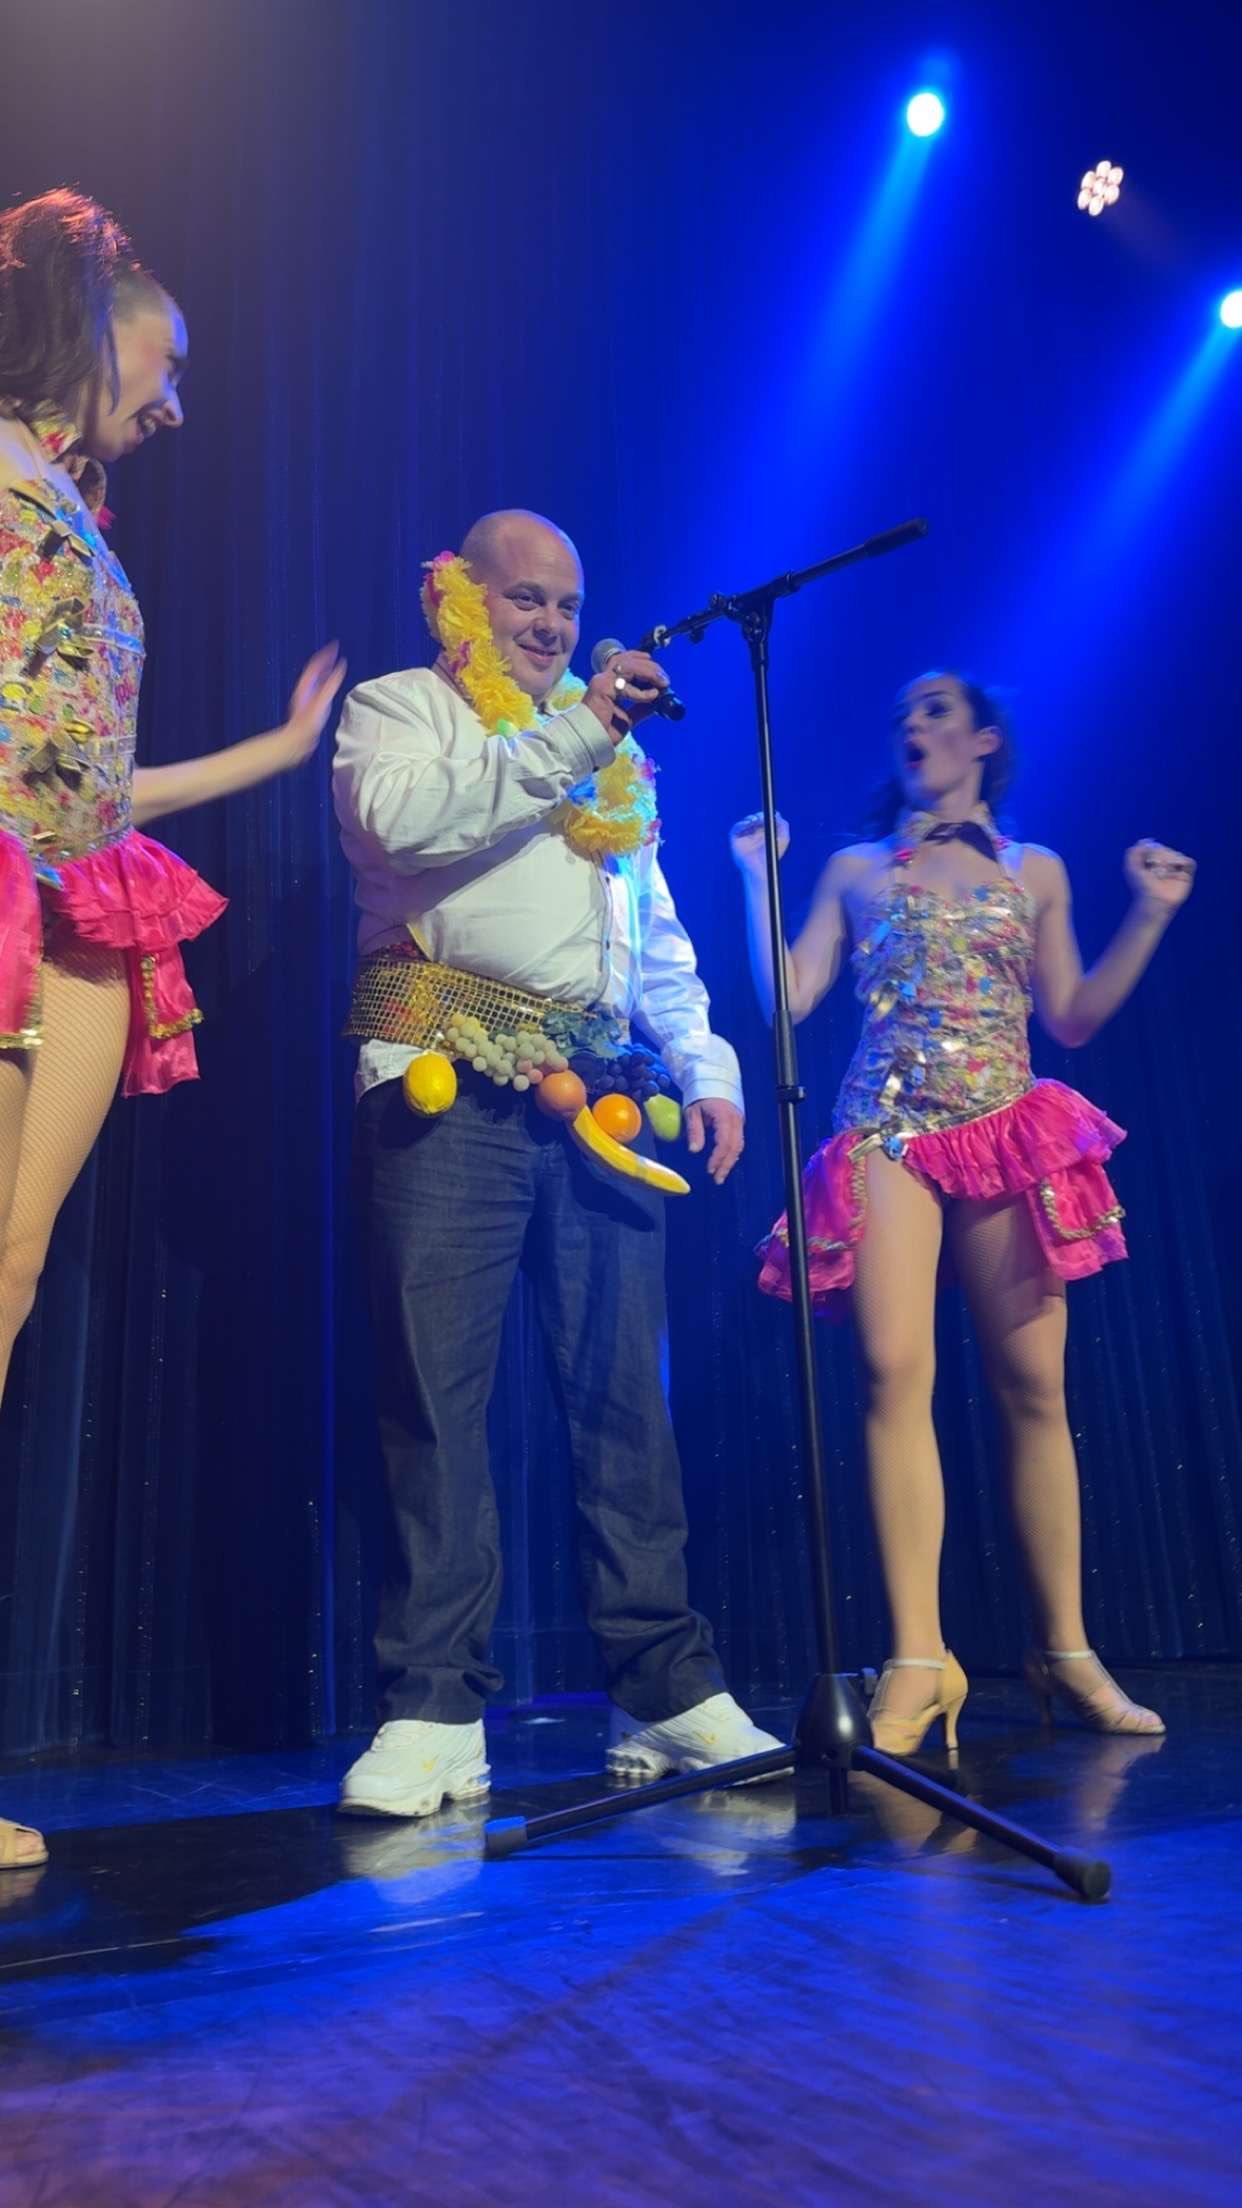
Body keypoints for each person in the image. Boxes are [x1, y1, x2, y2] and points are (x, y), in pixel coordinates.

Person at [333, 507, 781, 1820]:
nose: (549, 623)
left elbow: (650, 932)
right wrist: (581, 727)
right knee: (434, 1402)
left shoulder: (612, 763)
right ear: (460, 597)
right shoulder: (399, 709)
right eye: (524, 597)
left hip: (597, 1095)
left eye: (567, 605)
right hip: (442, 1077)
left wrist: (705, 1064)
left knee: (625, 1405)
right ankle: (432, 1710)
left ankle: (662, 1687)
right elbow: (404, 827)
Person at [0, 189, 344, 1870]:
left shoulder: (77, 504)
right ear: (93, 318)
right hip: (7, 882)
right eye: (172, 360)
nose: (183, 400)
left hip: (80, 897)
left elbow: (92, 772)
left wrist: (271, 759)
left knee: (8, 1282)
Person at [731, 671, 1194, 1754]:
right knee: (893, 1371)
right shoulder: (855, 869)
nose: (913, 725)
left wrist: (1151, 914)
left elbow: (1071, 1017)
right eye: (902, 714)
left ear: (985, 739)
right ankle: (918, 1657)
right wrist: (756, 881)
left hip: (1003, 1124)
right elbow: (789, 1000)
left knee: (1033, 1385)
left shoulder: (1036, 870)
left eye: (936, 710)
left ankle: (1063, 1651)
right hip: (888, 1131)